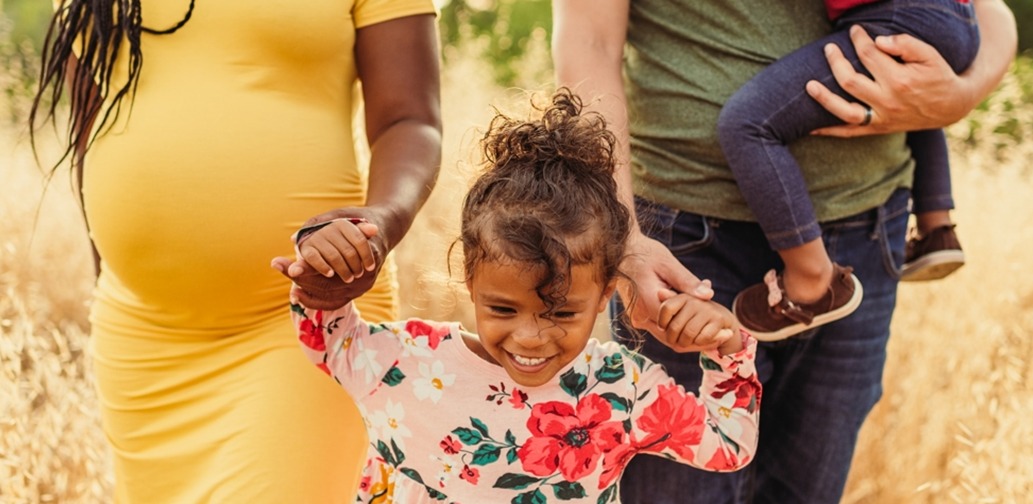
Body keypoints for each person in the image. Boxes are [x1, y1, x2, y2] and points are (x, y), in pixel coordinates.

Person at [552, 0, 1016, 502]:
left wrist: (963, 94)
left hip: (863, 233)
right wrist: (622, 235)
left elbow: (988, 12)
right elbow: (589, 41)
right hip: (685, 245)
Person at [29, 0, 442, 501]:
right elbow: (91, 133)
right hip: (143, 341)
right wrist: (120, 276)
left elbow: (410, 118)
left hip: (303, 320)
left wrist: (377, 224)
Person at [271, 89, 762, 503]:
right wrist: (324, 280)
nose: (530, 337)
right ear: (470, 278)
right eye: (503, 308)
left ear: (606, 291)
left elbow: (728, 446)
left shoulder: (621, 389)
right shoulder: (408, 361)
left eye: (562, 312)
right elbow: (330, 341)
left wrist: (725, 350)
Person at [717, 0, 980, 340]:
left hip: (897, 18)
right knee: (909, 93)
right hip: (956, 20)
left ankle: (810, 279)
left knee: (747, 123)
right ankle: (937, 225)